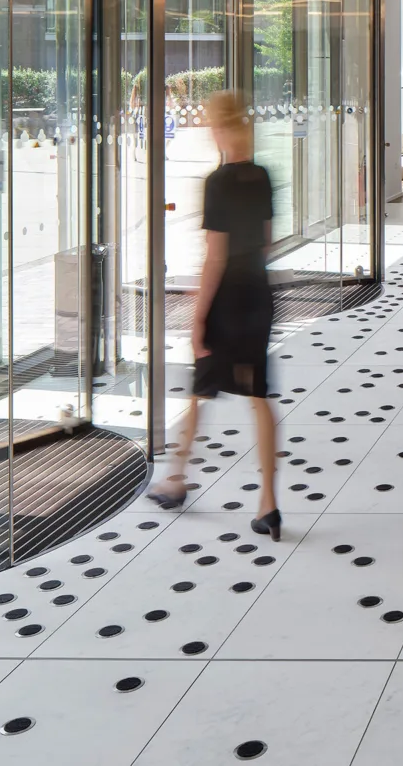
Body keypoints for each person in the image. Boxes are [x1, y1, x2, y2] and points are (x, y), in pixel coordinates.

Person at [149, 91, 281, 538]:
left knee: (200, 393)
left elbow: (215, 257)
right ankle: (268, 503)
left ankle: (175, 478)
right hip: (258, 295)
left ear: (220, 129)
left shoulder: (218, 182)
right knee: (259, 397)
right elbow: (266, 242)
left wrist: (198, 317)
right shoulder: (262, 176)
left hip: (226, 300)